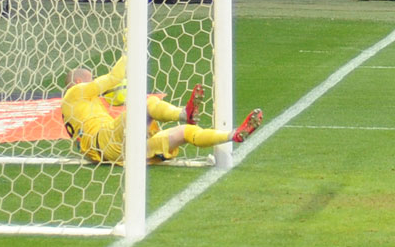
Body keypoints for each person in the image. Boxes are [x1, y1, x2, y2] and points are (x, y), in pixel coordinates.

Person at [62, 55, 263, 165]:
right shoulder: (74, 94)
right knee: (146, 104)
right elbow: (114, 78)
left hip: (119, 152)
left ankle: (234, 134)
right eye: (91, 79)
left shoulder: (79, 105)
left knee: (185, 133)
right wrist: (129, 49)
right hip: (105, 141)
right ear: (79, 81)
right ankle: (184, 114)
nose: (94, 82)